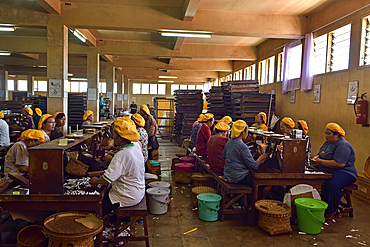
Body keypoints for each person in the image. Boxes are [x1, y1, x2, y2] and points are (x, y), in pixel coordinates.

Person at [89, 118, 145, 215]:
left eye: (114, 134)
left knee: (96, 207)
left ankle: (101, 222)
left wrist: (95, 181)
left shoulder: (122, 155)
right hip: (138, 191)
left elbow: (106, 180)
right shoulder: (134, 148)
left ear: (121, 138)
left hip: (128, 197)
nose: (113, 136)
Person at [311, 123, 357, 221]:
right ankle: (321, 204)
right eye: (325, 133)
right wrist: (316, 158)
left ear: (336, 134)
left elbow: (339, 164)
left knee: (331, 184)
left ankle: (331, 210)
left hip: (345, 172)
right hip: (329, 169)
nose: (326, 136)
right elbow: (321, 154)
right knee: (312, 174)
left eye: (328, 134)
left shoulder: (343, 145)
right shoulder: (327, 143)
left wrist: (320, 161)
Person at [222, 120, 268, 185]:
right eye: (247, 131)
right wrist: (261, 158)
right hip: (238, 178)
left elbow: (223, 155)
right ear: (243, 132)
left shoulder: (229, 142)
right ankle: (256, 195)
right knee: (264, 182)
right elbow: (254, 166)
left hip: (228, 175)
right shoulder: (242, 146)